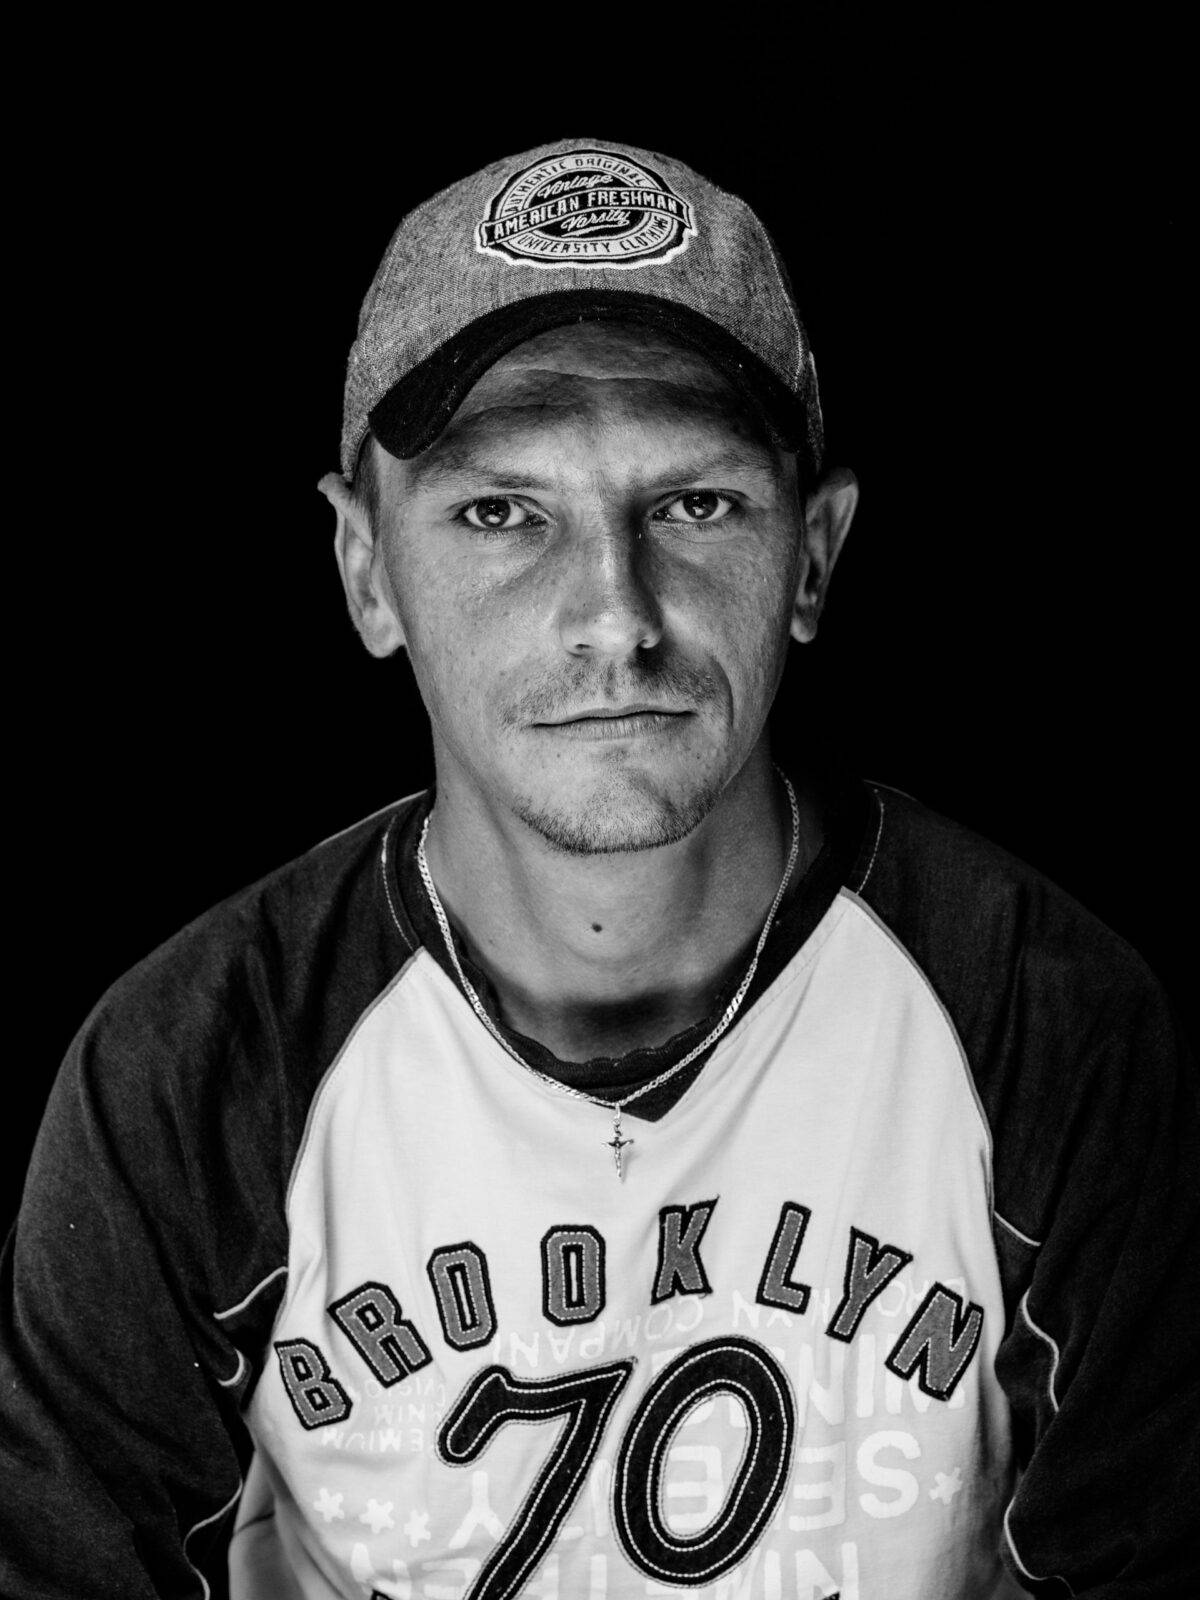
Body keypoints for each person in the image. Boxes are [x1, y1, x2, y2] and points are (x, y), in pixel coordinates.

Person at [1, 138, 1195, 1600]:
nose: (613, 616)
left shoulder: (1043, 1023)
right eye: (502, 513)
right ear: (366, 570)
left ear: (814, 555)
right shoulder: (191, 1072)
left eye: (694, 504)